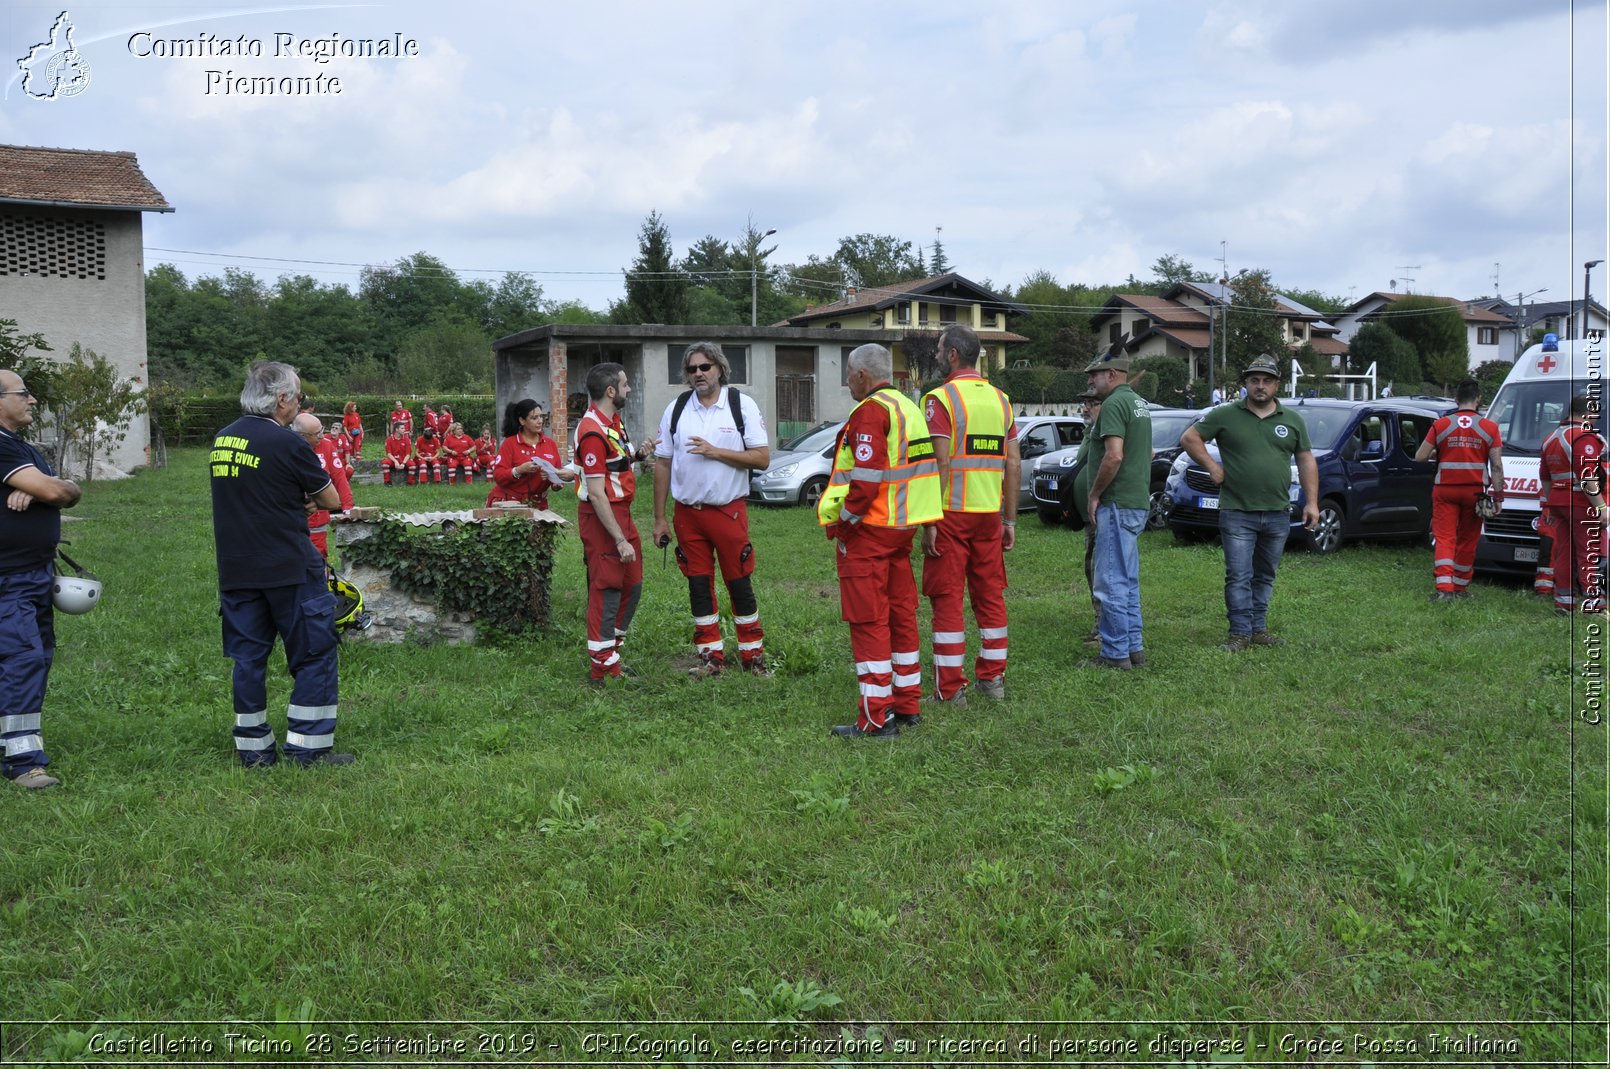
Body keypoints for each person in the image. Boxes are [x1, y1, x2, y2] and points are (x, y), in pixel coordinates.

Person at [210, 361, 350, 767]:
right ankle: (308, 750)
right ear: (283, 399)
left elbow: (248, 490)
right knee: (314, 653)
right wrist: (303, 496)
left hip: (237, 567)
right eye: (299, 396)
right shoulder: (287, 443)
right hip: (288, 566)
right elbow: (330, 500)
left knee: (249, 660)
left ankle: (254, 752)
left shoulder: (222, 439)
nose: (299, 403)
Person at [820, 344, 941, 737]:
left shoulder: (870, 411)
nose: (847, 382)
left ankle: (876, 719)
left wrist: (845, 524)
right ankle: (907, 705)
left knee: (869, 621)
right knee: (901, 617)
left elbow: (866, 477)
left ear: (861, 376)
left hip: (870, 532)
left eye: (848, 375)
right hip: (901, 530)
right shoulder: (908, 407)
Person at [1179, 354, 1320, 650]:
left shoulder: (1292, 420)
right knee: (1239, 575)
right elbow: (1190, 438)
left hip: (1278, 512)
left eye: (1266, 381)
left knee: (1265, 574)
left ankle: (1258, 629)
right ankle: (1239, 633)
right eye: (1254, 380)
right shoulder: (1225, 414)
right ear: (1245, 384)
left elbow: (1306, 459)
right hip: (1237, 511)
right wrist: (1213, 468)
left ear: (1276, 385)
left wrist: (1312, 503)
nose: (1260, 386)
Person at [652, 341, 772, 679]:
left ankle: (753, 656)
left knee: (739, 582)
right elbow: (662, 463)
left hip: (728, 511)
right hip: (687, 514)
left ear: (719, 368)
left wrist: (716, 452)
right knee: (698, 585)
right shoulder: (677, 409)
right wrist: (660, 519)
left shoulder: (740, 405)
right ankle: (710, 657)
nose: (698, 374)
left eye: (705, 367)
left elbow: (762, 458)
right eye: (692, 369)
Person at [920, 324, 1019, 704]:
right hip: (988, 516)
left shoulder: (940, 399)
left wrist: (928, 519)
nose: (935, 356)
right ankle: (992, 682)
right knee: (990, 598)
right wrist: (1009, 520)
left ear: (953, 355)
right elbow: (1013, 464)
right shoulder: (1002, 400)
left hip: (951, 514)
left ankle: (950, 690)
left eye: (939, 349)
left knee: (946, 599)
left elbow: (940, 463)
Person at [0, 369, 81, 788]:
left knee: (38, 657)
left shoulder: (22, 449)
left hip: (34, 574)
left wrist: (42, 486)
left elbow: (67, 489)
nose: (32, 400)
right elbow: (56, 492)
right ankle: (22, 761)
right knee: (22, 659)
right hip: (7, 578)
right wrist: (46, 488)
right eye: (23, 393)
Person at [575, 364, 658, 683]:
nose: (630, 389)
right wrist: (619, 540)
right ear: (610, 391)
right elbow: (596, 494)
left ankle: (612, 652)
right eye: (625, 385)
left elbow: (614, 465)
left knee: (632, 584)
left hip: (621, 514)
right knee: (607, 587)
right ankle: (603, 667)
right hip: (603, 518)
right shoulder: (592, 430)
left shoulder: (613, 422)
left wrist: (637, 455)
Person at [1080, 351, 1152, 670]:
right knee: (1128, 579)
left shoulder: (1112, 405)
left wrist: (1095, 494)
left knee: (1109, 581)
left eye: (1093, 375)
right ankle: (1133, 649)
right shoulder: (1138, 403)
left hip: (1117, 503)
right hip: (1135, 501)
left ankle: (1114, 654)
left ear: (1111, 374)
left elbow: (1114, 457)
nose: (1090, 382)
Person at [1413, 379, 1504, 602]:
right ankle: (1461, 588)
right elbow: (1497, 465)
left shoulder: (1441, 424)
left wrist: (1440, 454)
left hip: (1445, 490)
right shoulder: (1490, 428)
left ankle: (1444, 588)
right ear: (1479, 399)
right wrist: (1499, 496)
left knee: (1445, 538)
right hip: (1475, 492)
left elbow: (1420, 456)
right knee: (1467, 539)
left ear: (1456, 400)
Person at [1538, 393, 1607, 615]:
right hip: (1579, 501)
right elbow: (1587, 477)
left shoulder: (1551, 438)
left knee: (1563, 552)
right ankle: (1594, 604)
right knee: (1588, 552)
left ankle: (1564, 602)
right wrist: (1601, 507)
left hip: (1558, 502)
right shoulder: (1583, 438)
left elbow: (1545, 477)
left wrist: (1553, 501)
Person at [488, 400, 574, 510]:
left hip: (539, 505)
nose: (540, 421)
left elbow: (556, 473)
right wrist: (519, 470)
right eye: (534, 418)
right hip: (509, 503)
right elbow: (498, 476)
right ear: (522, 421)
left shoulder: (550, 443)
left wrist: (557, 483)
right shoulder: (510, 444)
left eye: (541, 417)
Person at [1073, 390, 1103, 646]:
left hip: (1104, 515)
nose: (1086, 408)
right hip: (1089, 519)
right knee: (1091, 570)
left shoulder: (1110, 432)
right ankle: (1099, 623)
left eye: (1092, 403)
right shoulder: (1091, 432)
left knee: (1102, 572)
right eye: (1085, 403)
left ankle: (1106, 629)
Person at [292, 414, 342, 558]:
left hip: (317, 522)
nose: (321, 436)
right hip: (293, 525)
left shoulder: (325, 446)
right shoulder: (289, 450)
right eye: (317, 433)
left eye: (322, 431)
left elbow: (339, 479)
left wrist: (347, 506)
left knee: (319, 560)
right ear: (301, 435)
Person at [382, 421, 413, 486]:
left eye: (404, 428)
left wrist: (403, 463)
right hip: (393, 460)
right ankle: (387, 482)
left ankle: (410, 482)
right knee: (385, 463)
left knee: (412, 465)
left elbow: (408, 454)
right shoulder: (389, 440)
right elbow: (389, 453)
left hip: (403, 459)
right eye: (402, 428)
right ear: (396, 429)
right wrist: (395, 461)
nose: (404, 430)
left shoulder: (407, 439)